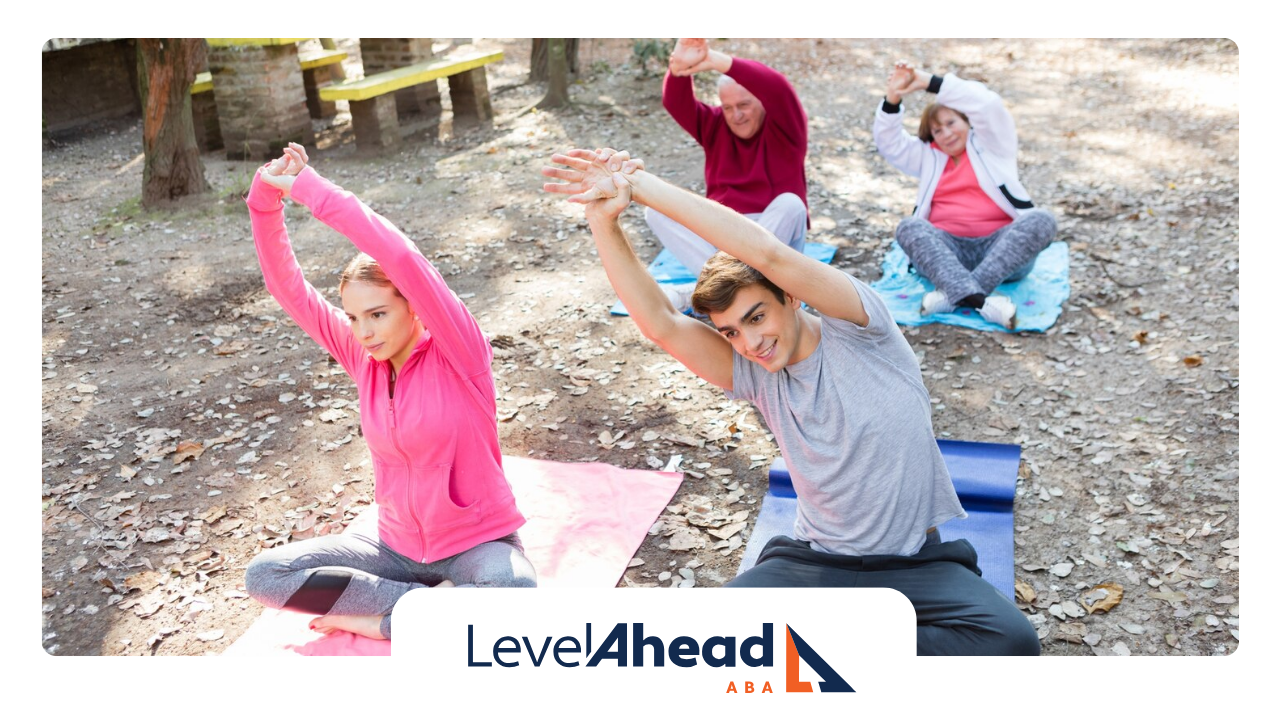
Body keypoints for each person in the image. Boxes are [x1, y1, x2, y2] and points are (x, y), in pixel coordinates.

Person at [542, 148, 1039, 655]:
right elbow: (661, 323)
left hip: (914, 564)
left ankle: (826, 651)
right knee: (699, 642)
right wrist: (602, 219)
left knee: (1013, 641)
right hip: (813, 565)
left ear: (792, 297)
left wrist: (640, 183)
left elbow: (769, 255)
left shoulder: (863, 329)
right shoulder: (755, 373)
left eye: (757, 317)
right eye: (731, 332)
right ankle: (846, 653)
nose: (750, 342)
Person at [243, 144, 535, 641]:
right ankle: (426, 612)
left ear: (415, 306)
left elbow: (400, 255)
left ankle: (384, 623)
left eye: (378, 313)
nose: (364, 331)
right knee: (266, 576)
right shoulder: (364, 357)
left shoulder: (461, 354)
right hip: (393, 549)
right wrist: (265, 199)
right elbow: (288, 287)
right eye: (354, 317)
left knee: (514, 592)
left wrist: (312, 190)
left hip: (475, 547)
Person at [874, 62, 1057, 329]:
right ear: (931, 136)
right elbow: (889, 143)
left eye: (951, 123)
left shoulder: (993, 144)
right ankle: (983, 302)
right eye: (938, 130)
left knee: (1042, 219)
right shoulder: (928, 155)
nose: (947, 133)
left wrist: (929, 82)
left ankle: (954, 295)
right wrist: (893, 97)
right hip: (945, 254)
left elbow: (988, 105)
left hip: (1001, 253)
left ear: (967, 121)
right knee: (909, 226)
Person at [649, 38, 809, 311]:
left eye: (744, 105)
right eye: (728, 107)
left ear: (762, 101)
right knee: (656, 209)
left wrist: (719, 61)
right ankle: (740, 289)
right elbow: (676, 102)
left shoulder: (786, 127)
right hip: (722, 229)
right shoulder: (713, 125)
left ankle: (706, 291)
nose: (736, 115)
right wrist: (678, 68)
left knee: (792, 204)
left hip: (772, 234)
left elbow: (779, 88)